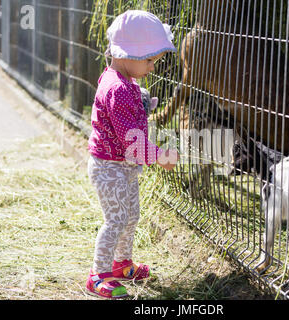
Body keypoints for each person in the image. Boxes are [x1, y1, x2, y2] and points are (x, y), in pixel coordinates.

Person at [86, 10, 179, 299]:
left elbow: (127, 120)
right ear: (128, 54)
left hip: (122, 166)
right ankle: (98, 275)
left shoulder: (122, 80)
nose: (152, 68)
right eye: (149, 60)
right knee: (115, 220)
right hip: (110, 167)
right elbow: (132, 145)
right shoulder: (119, 89)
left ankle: (121, 264)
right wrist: (161, 156)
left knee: (131, 216)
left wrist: (143, 104)